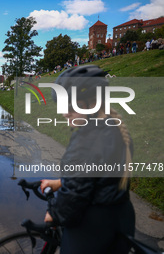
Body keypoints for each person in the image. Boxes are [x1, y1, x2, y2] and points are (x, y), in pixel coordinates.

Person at [40, 65, 135, 254]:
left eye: (70, 106)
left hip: (92, 229)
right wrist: (60, 182)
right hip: (120, 217)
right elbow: (98, 178)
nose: (64, 113)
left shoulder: (87, 140)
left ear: (92, 104)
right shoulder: (114, 127)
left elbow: (74, 198)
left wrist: (54, 213)